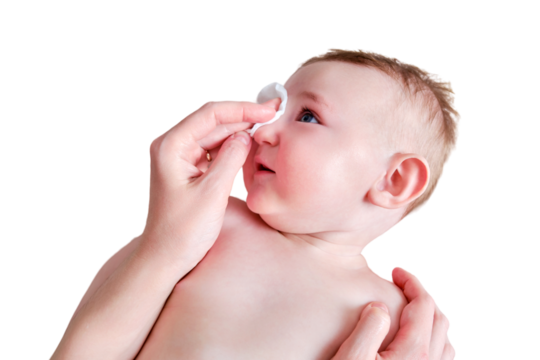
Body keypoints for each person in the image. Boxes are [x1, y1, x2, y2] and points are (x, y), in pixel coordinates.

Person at [50, 47, 458, 359]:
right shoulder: (209, 222)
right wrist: (161, 245)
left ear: (395, 180)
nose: (262, 128)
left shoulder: (397, 319)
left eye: (308, 116)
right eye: (274, 108)